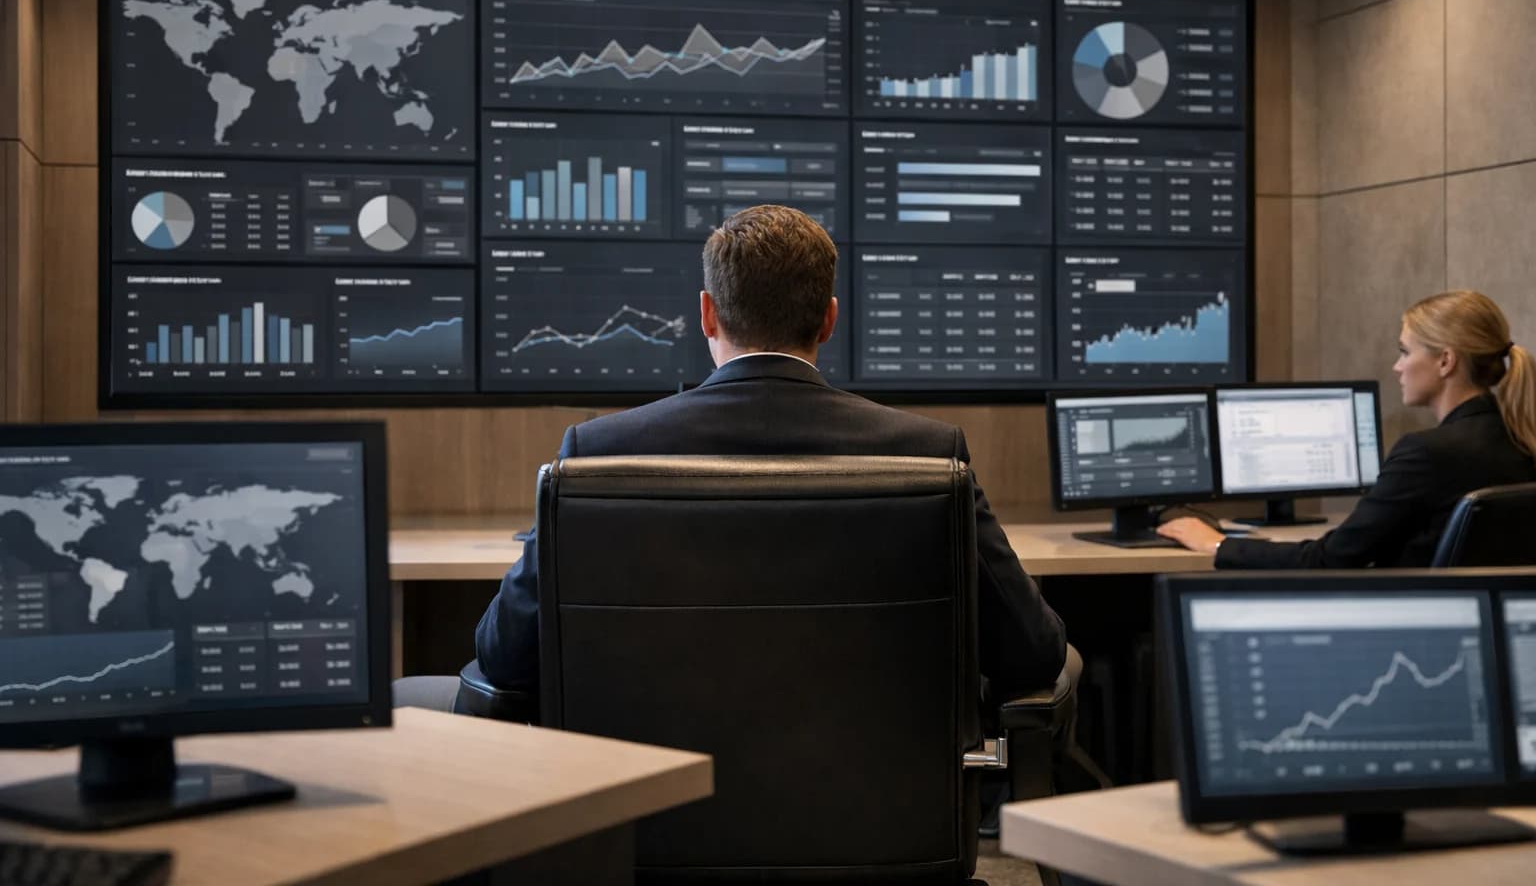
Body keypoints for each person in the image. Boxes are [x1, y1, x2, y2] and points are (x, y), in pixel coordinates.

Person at [475, 205, 1066, 697]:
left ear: (707, 314)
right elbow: (1034, 653)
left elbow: (503, 657)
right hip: (878, 821)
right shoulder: (930, 454)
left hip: (645, 820)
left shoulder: (598, 452)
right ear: (829, 319)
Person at [1161, 290, 1536, 567]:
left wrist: (1217, 544)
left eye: (1405, 352)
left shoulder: (1426, 453)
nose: (1396, 367)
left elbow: (1331, 559)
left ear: (1445, 361)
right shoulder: (1523, 441)